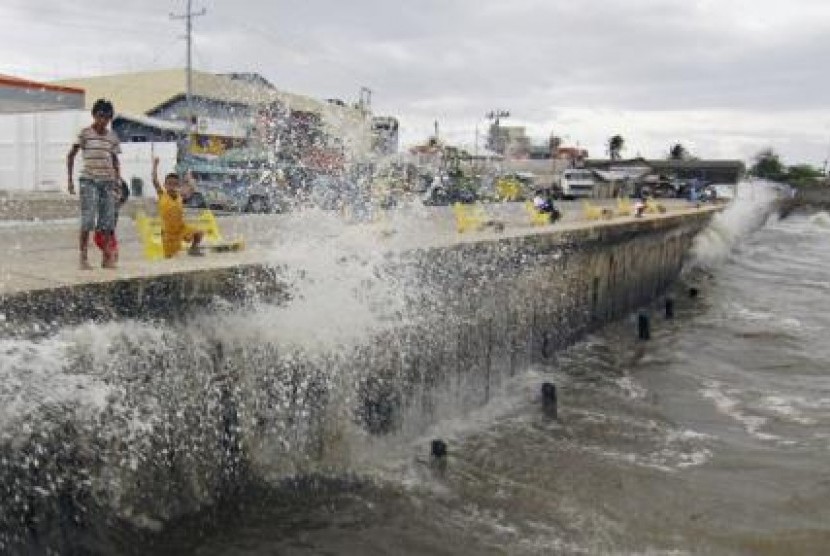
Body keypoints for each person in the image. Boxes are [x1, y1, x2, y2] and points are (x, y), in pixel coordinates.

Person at [66, 98, 120, 269]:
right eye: (100, 116)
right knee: (88, 220)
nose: (103, 121)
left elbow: (115, 160)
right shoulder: (85, 134)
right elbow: (71, 155)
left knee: (106, 222)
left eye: (107, 117)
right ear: (94, 115)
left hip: (107, 182)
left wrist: (117, 181)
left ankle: (106, 257)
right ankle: (83, 257)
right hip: (89, 181)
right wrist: (69, 181)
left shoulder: (112, 137)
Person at [152, 157, 203, 257]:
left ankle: (193, 249)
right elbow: (154, 180)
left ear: (178, 185)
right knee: (170, 256)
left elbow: (192, 189)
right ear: (165, 185)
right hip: (168, 233)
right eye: (169, 184)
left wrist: (189, 177)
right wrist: (155, 165)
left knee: (199, 233)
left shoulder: (180, 196)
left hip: (181, 228)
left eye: (175, 184)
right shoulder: (162, 194)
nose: (172, 186)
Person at [93, 179, 129, 262]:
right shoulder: (106, 204)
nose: (115, 194)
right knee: (111, 254)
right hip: (101, 234)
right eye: (114, 191)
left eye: (118, 192)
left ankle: (105, 264)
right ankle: (106, 262)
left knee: (114, 255)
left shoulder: (117, 205)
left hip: (110, 235)